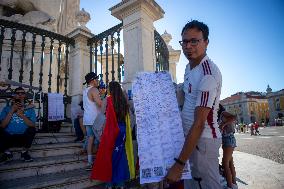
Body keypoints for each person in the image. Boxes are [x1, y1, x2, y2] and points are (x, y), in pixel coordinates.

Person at [166, 20, 223, 189]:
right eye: (185, 41)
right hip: (190, 139)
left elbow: (199, 123)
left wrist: (179, 164)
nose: (188, 46)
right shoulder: (188, 68)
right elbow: (185, 94)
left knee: (207, 186)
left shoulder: (209, 74)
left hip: (203, 140)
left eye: (194, 41)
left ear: (206, 42)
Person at [91, 81, 135, 188]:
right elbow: (131, 116)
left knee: (109, 155)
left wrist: (97, 129)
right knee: (121, 155)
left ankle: (109, 183)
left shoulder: (107, 99)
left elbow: (101, 115)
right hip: (122, 130)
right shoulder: (124, 100)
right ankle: (120, 183)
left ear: (110, 89)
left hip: (111, 130)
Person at [0, 87, 36, 163]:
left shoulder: (30, 110)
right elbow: (2, 125)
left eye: (22, 93)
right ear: (14, 96)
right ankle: (7, 153)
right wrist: (12, 110)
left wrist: (22, 115)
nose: (20, 95)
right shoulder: (6, 109)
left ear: (24, 96)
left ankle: (24, 152)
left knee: (32, 129)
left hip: (23, 137)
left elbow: (32, 125)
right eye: (17, 93)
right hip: (9, 137)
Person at [82, 72, 102, 170]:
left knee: (90, 139)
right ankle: (100, 161)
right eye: (97, 79)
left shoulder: (85, 90)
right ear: (93, 80)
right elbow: (100, 104)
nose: (98, 81)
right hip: (95, 120)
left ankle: (90, 162)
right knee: (100, 140)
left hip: (87, 119)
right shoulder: (94, 89)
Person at [218, 104, 238, 189]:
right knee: (229, 163)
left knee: (225, 163)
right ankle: (234, 183)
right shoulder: (220, 115)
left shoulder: (222, 113)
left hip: (228, 138)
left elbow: (233, 117)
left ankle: (230, 186)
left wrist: (223, 124)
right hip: (229, 138)